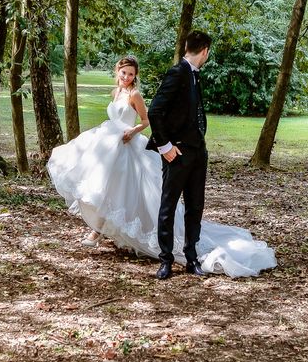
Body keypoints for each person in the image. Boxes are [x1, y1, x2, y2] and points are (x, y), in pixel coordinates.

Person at [47, 54, 277, 279]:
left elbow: (147, 120)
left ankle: (143, 238)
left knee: (135, 191)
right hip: (108, 145)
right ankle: (100, 229)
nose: (126, 77)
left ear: (135, 77)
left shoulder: (134, 95)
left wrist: (133, 131)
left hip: (127, 146)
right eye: (123, 72)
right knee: (103, 188)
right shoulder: (115, 91)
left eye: (130, 74)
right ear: (117, 71)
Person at [146, 30, 210, 279]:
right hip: (177, 152)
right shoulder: (177, 73)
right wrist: (165, 147)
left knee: (195, 206)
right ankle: (166, 260)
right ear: (204, 51)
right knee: (168, 205)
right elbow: (155, 111)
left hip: (197, 152)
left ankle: (191, 258)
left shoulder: (195, 75)